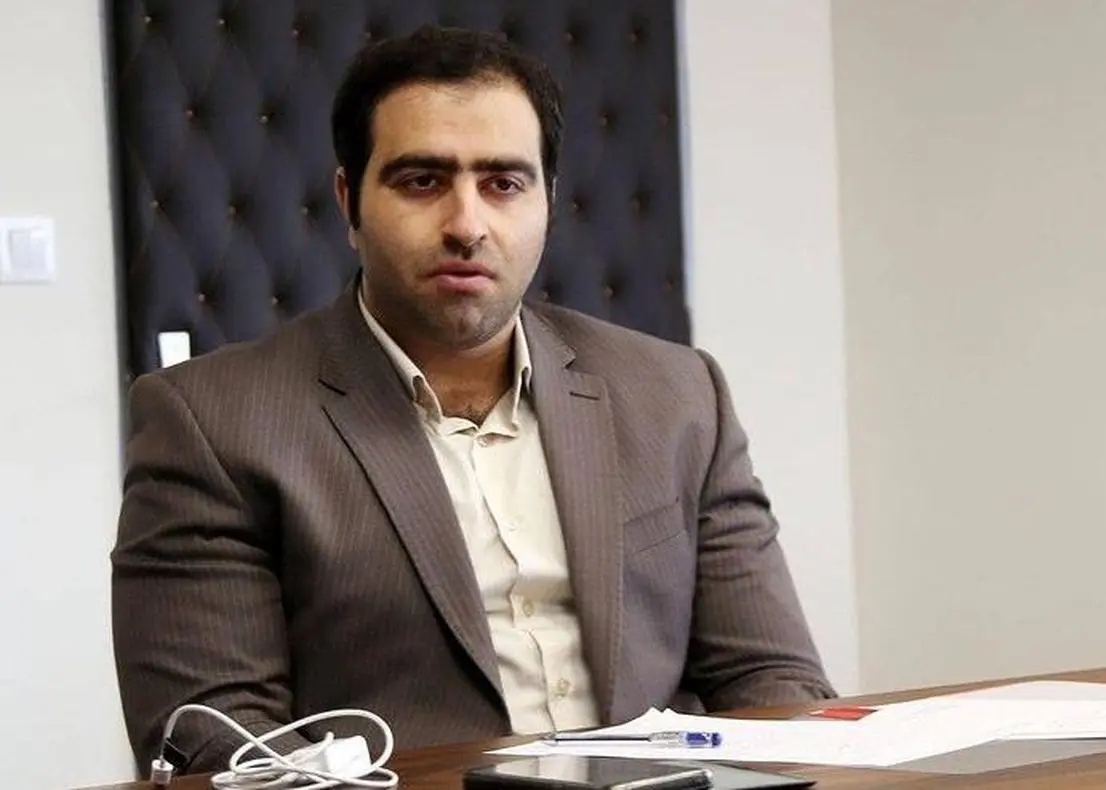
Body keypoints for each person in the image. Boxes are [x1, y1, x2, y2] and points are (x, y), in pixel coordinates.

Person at [111, 24, 835, 777]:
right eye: (422, 181)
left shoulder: (678, 395)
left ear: (547, 201)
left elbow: (773, 681)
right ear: (349, 202)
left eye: (504, 184)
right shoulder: (212, 423)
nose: (466, 225)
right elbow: (218, 742)